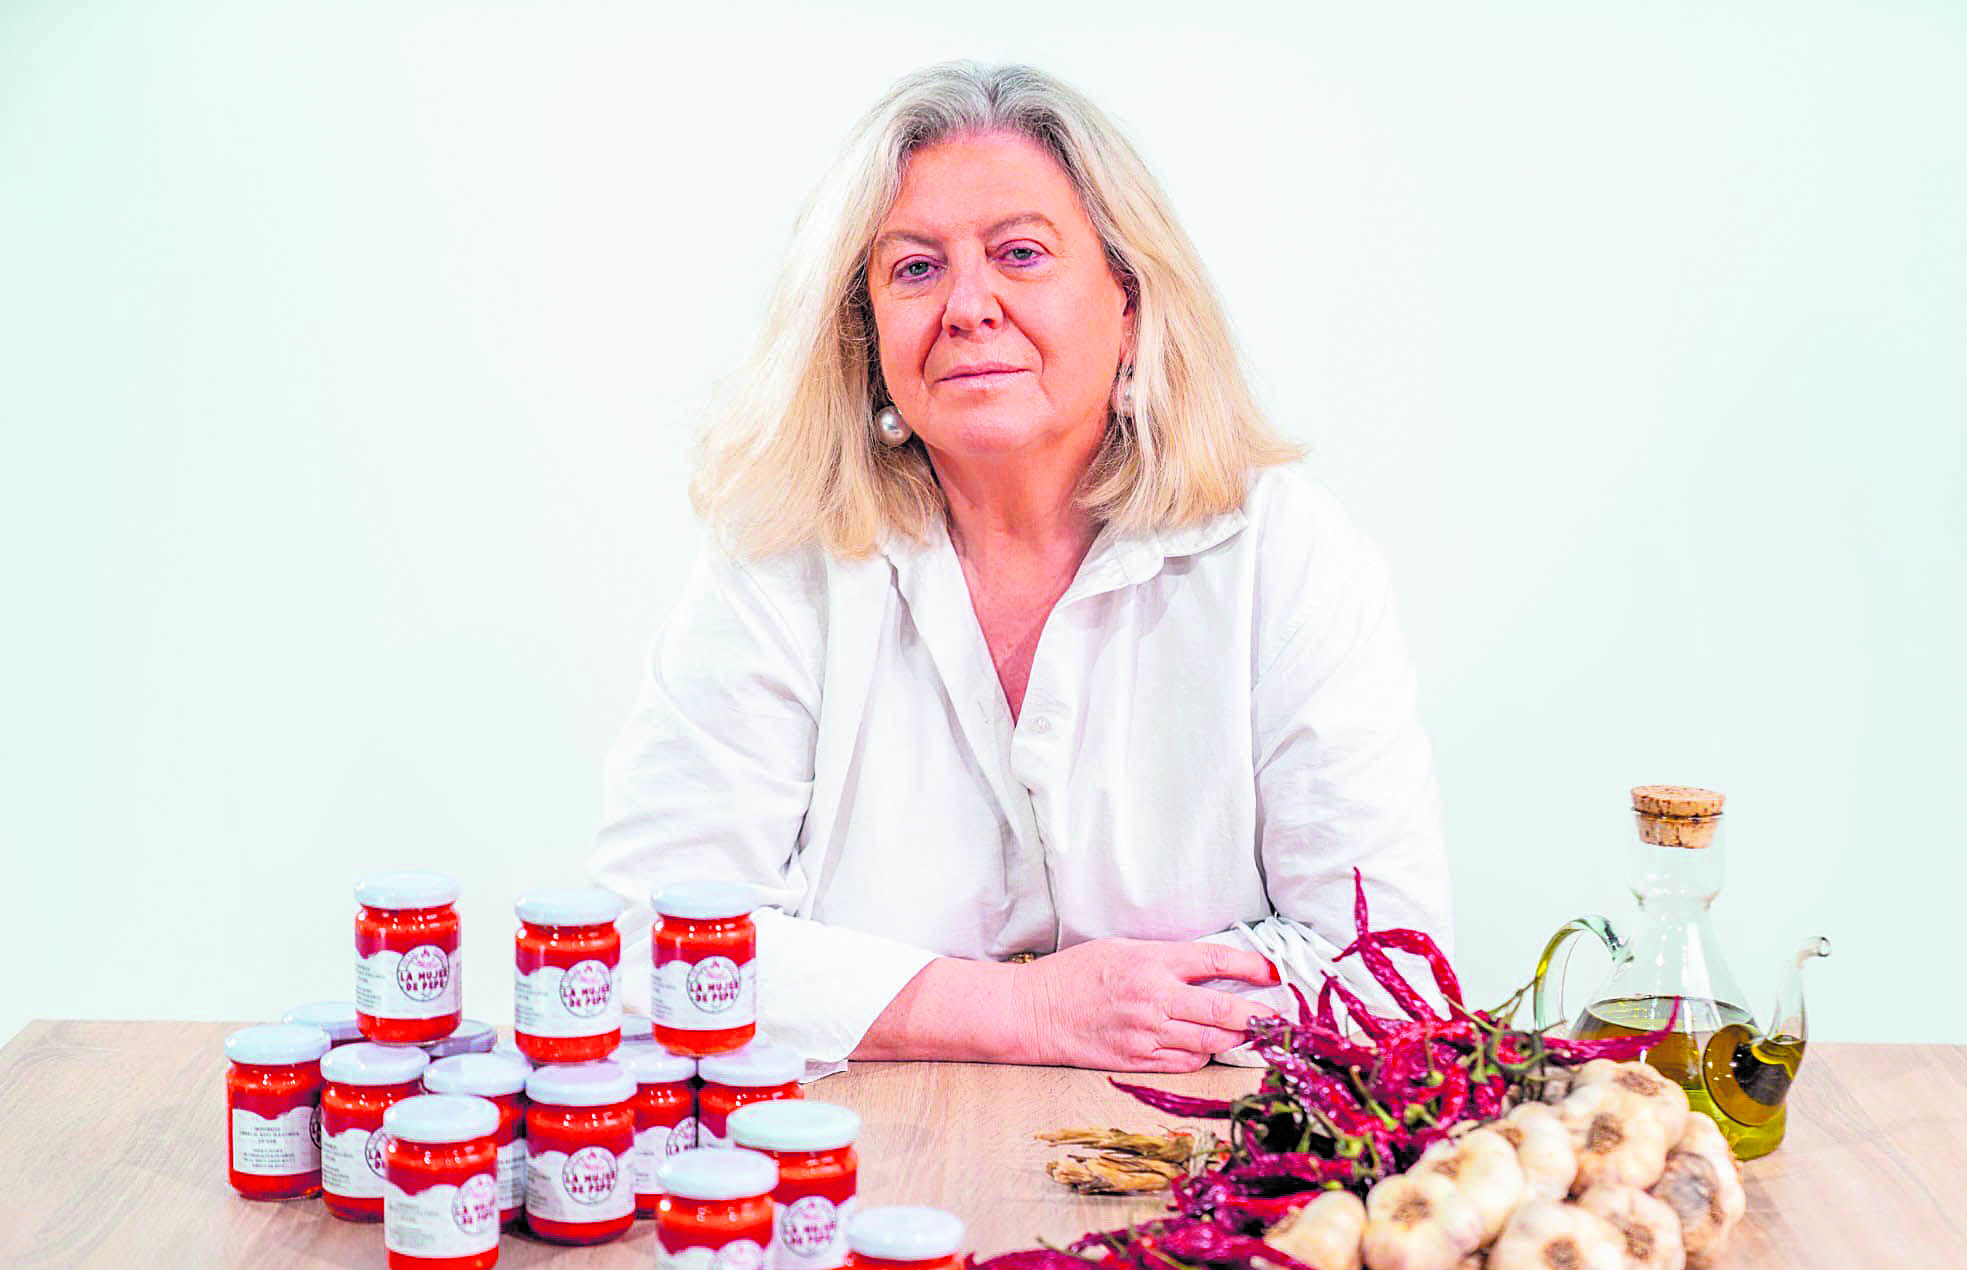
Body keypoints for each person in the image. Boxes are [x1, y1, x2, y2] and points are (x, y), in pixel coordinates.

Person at [590, 61, 1451, 1079]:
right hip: (853, 1178)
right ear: (867, 341)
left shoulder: (1283, 555)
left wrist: (863, 993)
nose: (966, 306)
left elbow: (1392, 980)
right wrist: (1016, 1009)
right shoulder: (783, 559)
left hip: (1196, 1182)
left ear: (1128, 304)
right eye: (913, 269)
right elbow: (647, 945)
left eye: (1020, 253)